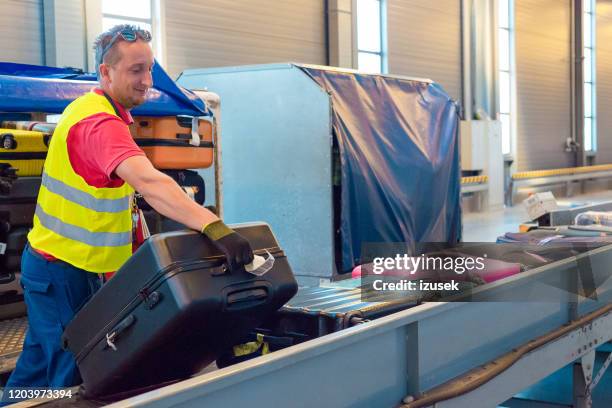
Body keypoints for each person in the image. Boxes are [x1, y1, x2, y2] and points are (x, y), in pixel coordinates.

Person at [2, 24, 253, 397]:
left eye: (149, 69)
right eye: (136, 70)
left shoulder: (102, 111)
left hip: (63, 266)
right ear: (106, 72)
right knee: (70, 380)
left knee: (35, 375)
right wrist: (215, 228)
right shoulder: (97, 124)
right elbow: (150, 184)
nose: (147, 81)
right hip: (62, 272)